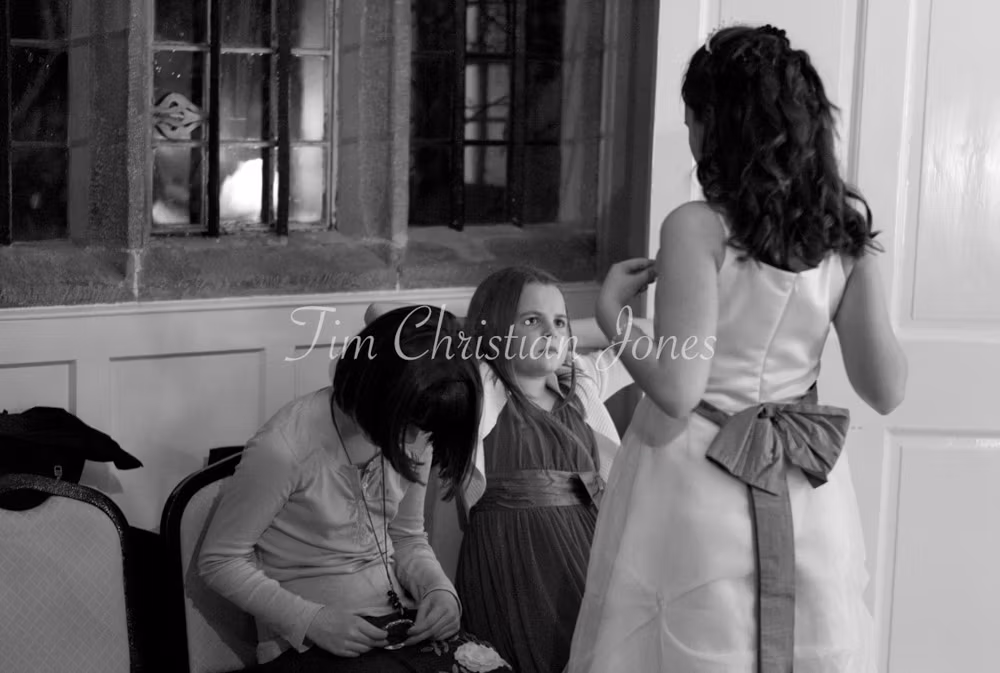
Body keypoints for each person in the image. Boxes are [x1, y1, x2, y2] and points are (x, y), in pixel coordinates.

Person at [566, 24, 908, 673]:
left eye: (694, 116)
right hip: (803, 485)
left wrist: (613, 316)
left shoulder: (698, 226)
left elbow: (677, 386)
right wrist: (859, 260)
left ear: (717, 125)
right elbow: (887, 387)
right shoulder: (841, 233)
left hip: (698, 480)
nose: (690, 133)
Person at [369, 265, 651, 673]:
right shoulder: (479, 388)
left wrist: (594, 318)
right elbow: (381, 315)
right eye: (531, 321)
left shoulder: (581, 383)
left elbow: (651, 333)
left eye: (559, 321)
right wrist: (477, 333)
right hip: (518, 555)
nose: (550, 333)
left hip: (590, 545)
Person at [198, 307, 512, 672]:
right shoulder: (284, 449)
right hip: (304, 646)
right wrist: (313, 621)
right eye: (408, 425)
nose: (415, 440)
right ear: (376, 390)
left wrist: (439, 589)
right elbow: (219, 560)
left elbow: (407, 537)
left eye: (424, 429)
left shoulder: (419, 426)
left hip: (396, 626)